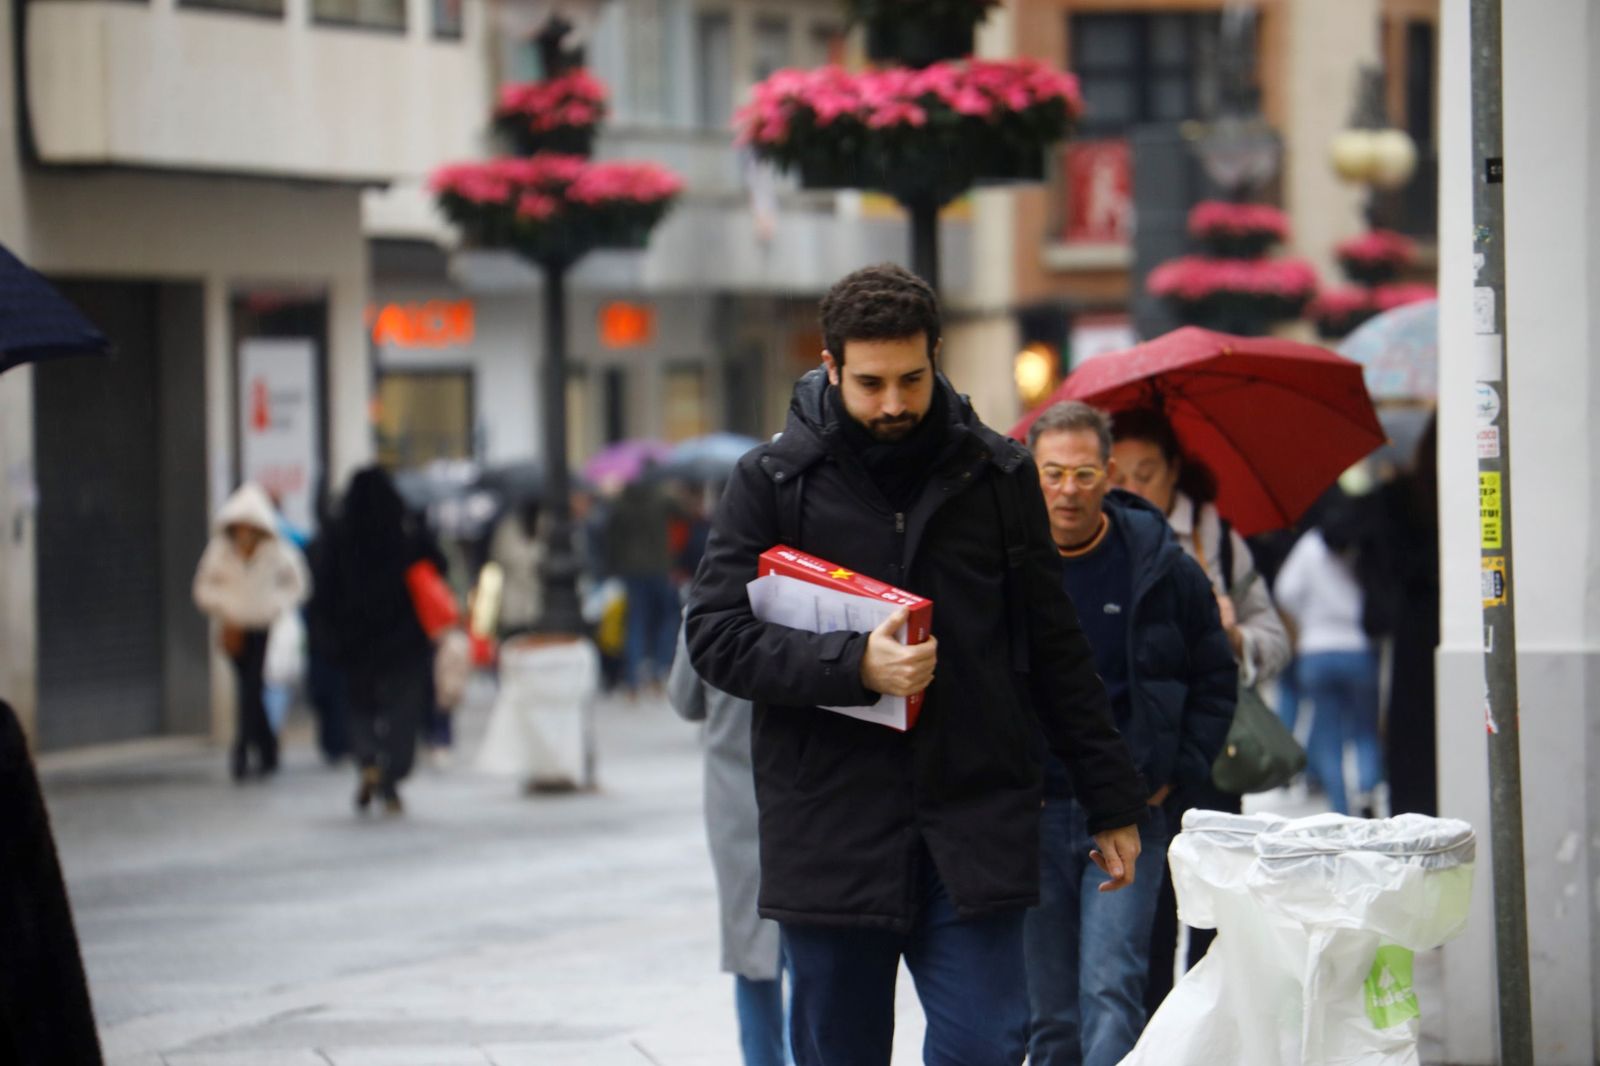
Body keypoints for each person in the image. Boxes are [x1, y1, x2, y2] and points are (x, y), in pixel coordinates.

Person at [685, 264, 1146, 1066]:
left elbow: (1055, 645)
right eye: (869, 384)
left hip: (974, 821)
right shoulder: (771, 484)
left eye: (910, 378)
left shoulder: (999, 477)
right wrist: (853, 664)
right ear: (829, 368)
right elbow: (716, 636)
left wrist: (1110, 799)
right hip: (830, 828)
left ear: (937, 355)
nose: (893, 403)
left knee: (990, 1047)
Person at [1022, 402, 1237, 1066]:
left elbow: (1214, 674)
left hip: (1126, 813)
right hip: (1030, 814)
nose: (1068, 489)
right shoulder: (1007, 566)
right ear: (1030, 476)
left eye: (1084, 473)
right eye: (1052, 473)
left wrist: (1179, 766)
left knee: (1113, 990)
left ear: (1108, 473)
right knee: (1048, 1013)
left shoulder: (1160, 565)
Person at [1105, 407, 1293, 1010]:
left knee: (1215, 919)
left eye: (1147, 472)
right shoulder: (1099, 540)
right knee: (1146, 919)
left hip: (1213, 756)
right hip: (1139, 757)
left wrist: (1234, 637)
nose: (1132, 489)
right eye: (1120, 474)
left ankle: (1210, 1037)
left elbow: (1278, 639)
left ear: (1174, 473)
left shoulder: (1216, 539)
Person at [667, 625, 789, 1066]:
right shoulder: (820, 583)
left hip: (737, 800)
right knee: (814, 948)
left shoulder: (712, 596)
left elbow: (685, 700)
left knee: (752, 952)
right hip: (811, 792)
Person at [310, 467, 442, 815]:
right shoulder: (404, 530)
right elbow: (436, 565)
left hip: (356, 640)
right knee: (403, 710)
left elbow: (322, 588)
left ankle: (368, 758)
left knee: (360, 706)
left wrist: (327, 633)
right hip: (403, 639)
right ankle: (392, 775)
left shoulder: (339, 533)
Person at [192, 482, 309, 781]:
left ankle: (242, 751)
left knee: (251, 688)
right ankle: (266, 748)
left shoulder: (275, 549)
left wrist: (275, 604)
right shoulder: (221, 550)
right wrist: (225, 605)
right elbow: (203, 587)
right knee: (249, 690)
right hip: (234, 628)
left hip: (261, 626)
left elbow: (298, 584)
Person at [1275, 511, 1384, 817]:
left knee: (1327, 731)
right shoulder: (1363, 545)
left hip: (1316, 650)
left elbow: (1286, 590)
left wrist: (1307, 619)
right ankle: (1367, 789)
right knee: (1365, 729)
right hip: (1358, 648)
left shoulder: (1310, 546)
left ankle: (1339, 805)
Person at [605, 467, 681, 694]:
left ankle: (632, 677)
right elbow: (683, 513)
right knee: (667, 618)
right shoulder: (660, 498)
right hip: (659, 567)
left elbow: (611, 537)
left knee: (635, 622)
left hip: (631, 570)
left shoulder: (621, 503)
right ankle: (659, 668)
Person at [489, 500, 546, 638]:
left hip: (538, 602)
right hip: (513, 603)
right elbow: (501, 556)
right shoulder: (509, 526)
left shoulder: (546, 524)